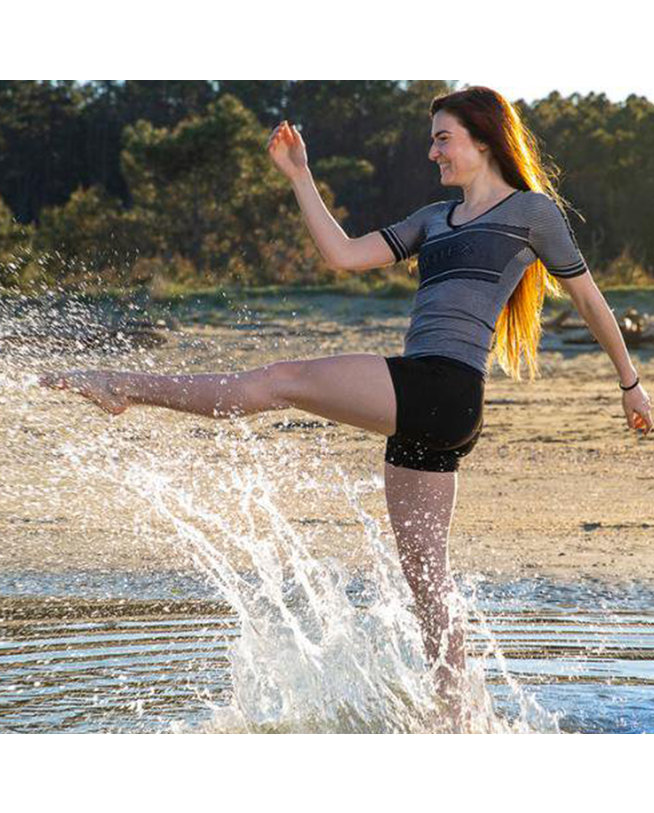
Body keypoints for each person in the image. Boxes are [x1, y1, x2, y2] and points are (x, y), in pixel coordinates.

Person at [39, 87, 653, 717]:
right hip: (428, 412)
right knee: (427, 581)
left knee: (279, 380)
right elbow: (343, 255)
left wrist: (630, 384)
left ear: (485, 139)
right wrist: (300, 176)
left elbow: (589, 299)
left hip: (444, 388)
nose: (433, 151)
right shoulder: (433, 219)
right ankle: (458, 720)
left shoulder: (532, 212)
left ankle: (124, 387)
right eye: (432, 140)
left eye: (443, 138)